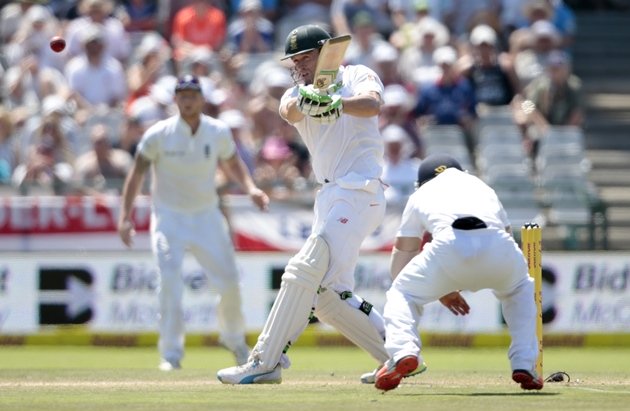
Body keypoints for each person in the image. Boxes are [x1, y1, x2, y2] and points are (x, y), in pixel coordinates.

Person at [217, 24, 425, 385]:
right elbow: (291, 112)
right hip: (329, 196)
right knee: (327, 298)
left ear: (327, 53)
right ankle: (398, 354)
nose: (299, 65)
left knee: (301, 270)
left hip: (358, 190)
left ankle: (265, 361)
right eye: (294, 60)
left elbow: (373, 103)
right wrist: (311, 99)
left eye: (306, 57)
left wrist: (337, 101)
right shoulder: (294, 93)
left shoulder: (358, 74)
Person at [117, 74, 270, 371]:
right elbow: (136, 174)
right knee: (170, 282)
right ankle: (171, 354)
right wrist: (125, 217)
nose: (187, 100)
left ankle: (235, 341)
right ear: (176, 100)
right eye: (182, 95)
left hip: (206, 216)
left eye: (193, 95)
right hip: (168, 218)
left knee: (228, 283)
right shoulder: (158, 134)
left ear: (202, 99)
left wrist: (250, 188)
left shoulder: (218, 131)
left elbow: (233, 162)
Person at [373, 153, 542, 391]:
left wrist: (440, 286)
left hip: (449, 244)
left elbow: (403, 257)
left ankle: (403, 352)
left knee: (401, 293)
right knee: (520, 288)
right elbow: (504, 238)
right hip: (498, 243)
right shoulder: (482, 186)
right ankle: (525, 364)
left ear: (422, 181)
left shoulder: (421, 193)